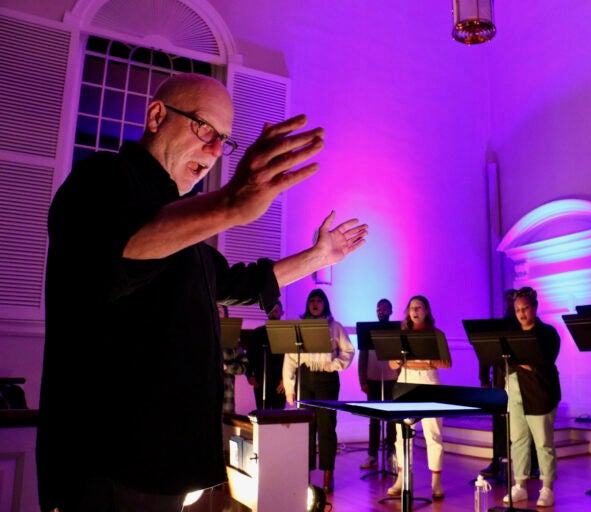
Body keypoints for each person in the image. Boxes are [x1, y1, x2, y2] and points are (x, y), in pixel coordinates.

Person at [38, 72, 367, 512]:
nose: (216, 152)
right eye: (204, 127)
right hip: (110, 459)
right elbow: (119, 250)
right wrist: (229, 205)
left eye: (224, 140)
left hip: (165, 462)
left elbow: (238, 284)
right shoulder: (101, 178)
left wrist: (318, 256)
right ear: (157, 115)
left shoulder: (182, 223)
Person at [283, 289, 355, 494]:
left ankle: (327, 474)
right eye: (312, 300)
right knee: (306, 427)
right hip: (305, 378)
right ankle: (304, 473)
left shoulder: (335, 326)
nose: (315, 303)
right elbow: (289, 358)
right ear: (308, 304)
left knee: (326, 426)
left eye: (319, 300)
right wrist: (289, 388)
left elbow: (348, 351)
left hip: (326, 379)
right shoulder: (300, 327)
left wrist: (334, 365)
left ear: (325, 304)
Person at [387, 295, 452, 500]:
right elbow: (392, 365)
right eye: (411, 307)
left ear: (426, 311)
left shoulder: (436, 334)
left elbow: (447, 363)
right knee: (403, 434)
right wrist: (402, 361)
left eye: (419, 307)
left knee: (433, 433)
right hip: (406, 382)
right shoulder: (402, 334)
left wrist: (427, 361)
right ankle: (402, 478)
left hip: (430, 382)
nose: (415, 311)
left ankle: (436, 480)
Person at [503, 287, 561, 508]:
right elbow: (506, 362)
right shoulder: (512, 332)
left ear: (535, 307)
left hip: (540, 390)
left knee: (543, 442)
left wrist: (524, 361)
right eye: (517, 309)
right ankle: (520, 484)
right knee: (518, 439)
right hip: (514, 388)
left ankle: (547, 487)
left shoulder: (548, 333)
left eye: (525, 308)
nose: (521, 313)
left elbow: (543, 361)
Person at [478, 289, 539, 480]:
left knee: (527, 423)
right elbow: (486, 352)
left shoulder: (524, 326)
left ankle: (532, 464)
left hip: (521, 380)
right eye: (509, 301)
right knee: (499, 423)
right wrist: (484, 379)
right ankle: (498, 459)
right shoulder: (500, 325)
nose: (511, 305)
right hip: (499, 379)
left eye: (515, 301)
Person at [358, 298, 399, 472]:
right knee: (374, 419)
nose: (381, 311)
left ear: (390, 311)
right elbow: (363, 357)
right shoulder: (369, 331)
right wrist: (363, 380)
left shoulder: (396, 331)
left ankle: (391, 453)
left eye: (384, 309)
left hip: (392, 380)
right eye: (378, 309)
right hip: (373, 379)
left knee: (391, 420)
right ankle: (373, 455)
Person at [243, 300, 287, 410]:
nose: (273, 313)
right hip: (261, 381)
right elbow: (249, 356)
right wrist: (249, 376)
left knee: (278, 416)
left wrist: (286, 380)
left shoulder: (286, 333)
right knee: (262, 415)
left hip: (280, 383)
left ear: (282, 312)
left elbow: (289, 358)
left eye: (276, 310)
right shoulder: (258, 333)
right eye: (271, 311)